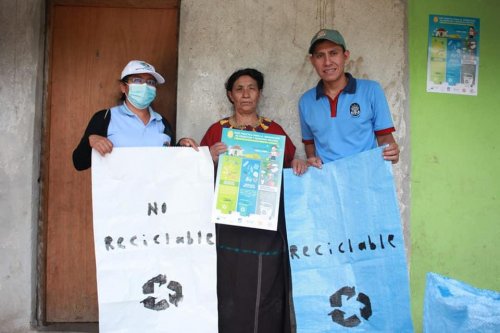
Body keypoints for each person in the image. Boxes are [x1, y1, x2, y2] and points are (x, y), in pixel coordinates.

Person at [200, 68, 307, 333]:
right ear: (230, 95)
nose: (246, 94)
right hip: (227, 227)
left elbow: (290, 163)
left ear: (259, 94)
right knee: (228, 283)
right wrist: (209, 156)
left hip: (264, 227)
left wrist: (299, 162)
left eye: (252, 88)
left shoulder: (274, 129)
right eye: (239, 88)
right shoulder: (217, 131)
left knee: (264, 283)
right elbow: (196, 171)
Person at [299, 29, 400, 168]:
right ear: (312, 61)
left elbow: (384, 139)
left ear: (345, 55)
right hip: (328, 182)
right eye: (320, 55)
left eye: (333, 53)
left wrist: (392, 152)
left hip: (365, 179)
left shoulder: (371, 90)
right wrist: (311, 158)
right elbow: (309, 142)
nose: (327, 62)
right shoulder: (306, 101)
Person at [72, 60, 198, 170]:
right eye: (137, 80)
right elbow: (79, 163)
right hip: (118, 196)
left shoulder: (162, 122)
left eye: (150, 82)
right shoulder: (105, 118)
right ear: (123, 87)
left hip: (154, 197)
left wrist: (181, 146)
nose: (145, 86)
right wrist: (90, 141)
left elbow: (169, 164)